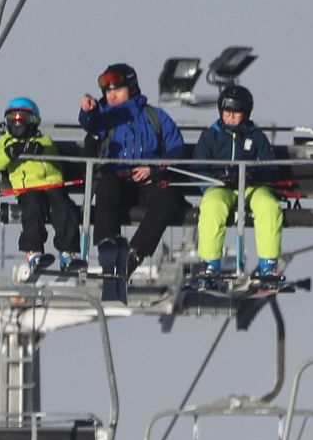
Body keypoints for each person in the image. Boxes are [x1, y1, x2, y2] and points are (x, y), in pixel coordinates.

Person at [78, 62, 186, 273]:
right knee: (106, 186)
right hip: (118, 184)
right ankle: (107, 247)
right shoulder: (105, 118)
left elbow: (176, 150)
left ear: (132, 87)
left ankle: (135, 253)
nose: (112, 95)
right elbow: (91, 125)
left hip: (147, 183)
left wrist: (153, 168)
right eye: (107, 91)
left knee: (168, 195)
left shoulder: (155, 118)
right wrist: (88, 111)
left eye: (117, 89)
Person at [191, 84, 285, 284]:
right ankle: (210, 262)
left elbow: (270, 166)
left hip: (251, 187)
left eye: (236, 112)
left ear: (246, 113)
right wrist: (214, 181)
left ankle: (268, 263)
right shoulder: (211, 137)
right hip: (220, 186)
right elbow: (198, 167)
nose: (231, 117)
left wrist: (255, 174)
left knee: (268, 206)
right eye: (227, 112)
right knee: (212, 206)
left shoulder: (255, 137)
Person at [0, 96, 83, 276]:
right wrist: (13, 152)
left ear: (33, 122)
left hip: (52, 185)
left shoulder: (44, 141)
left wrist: (36, 149)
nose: (17, 124)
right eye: (13, 120)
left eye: (22, 120)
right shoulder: (5, 143)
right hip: (28, 188)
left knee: (65, 208)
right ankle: (33, 252)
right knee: (33, 208)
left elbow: (50, 154)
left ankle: (68, 253)